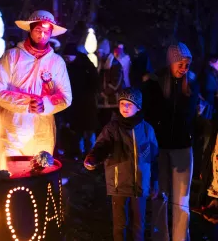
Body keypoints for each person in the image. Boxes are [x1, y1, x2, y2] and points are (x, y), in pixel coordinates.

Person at [0, 10, 72, 156]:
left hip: (43, 131)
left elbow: (65, 97)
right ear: (30, 29)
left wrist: (45, 105)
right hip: (14, 129)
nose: (42, 35)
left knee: (41, 173)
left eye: (46, 32)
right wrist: (27, 103)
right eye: (38, 30)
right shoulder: (12, 56)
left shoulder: (57, 62)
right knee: (12, 174)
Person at [84, 88, 159, 241]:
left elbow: (154, 158)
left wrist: (154, 182)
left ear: (138, 107)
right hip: (118, 184)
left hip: (140, 185)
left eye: (129, 104)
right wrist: (93, 158)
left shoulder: (147, 129)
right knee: (120, 224)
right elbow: (102, 146)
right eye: (122, 103)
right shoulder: (112, 128)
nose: (125, 107)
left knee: (139, 223)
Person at [142, 42, 199, 241]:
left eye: (187, 65)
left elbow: (191, 116)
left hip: (183, 147)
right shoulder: (154, 83)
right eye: (180, 63)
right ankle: (161, 237)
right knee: (160, 196)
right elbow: (147, 116)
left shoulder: (191, 84)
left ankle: (180, 238)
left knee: (182, 200)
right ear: (171, 61)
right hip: (160, 147)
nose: (184, 68)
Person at [61, 43, 99, 159]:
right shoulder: (69, 66)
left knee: (89, 130)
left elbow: (95, 80)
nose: (66, 59)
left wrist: (89, 93)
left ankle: (91, 154)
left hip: (87, 103)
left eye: (68, 57)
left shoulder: (85, 64)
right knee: (77, 130)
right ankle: (80, 152)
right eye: (65, 57)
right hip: (75, 102)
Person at [97, 39, 124, 127]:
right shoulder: (102, 64)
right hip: (103, 102)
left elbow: (115, 84)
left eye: (99, 52)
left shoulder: (115, 64)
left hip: (113, 102)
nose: (98, 54)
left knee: (112, 126)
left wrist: (103, 93)